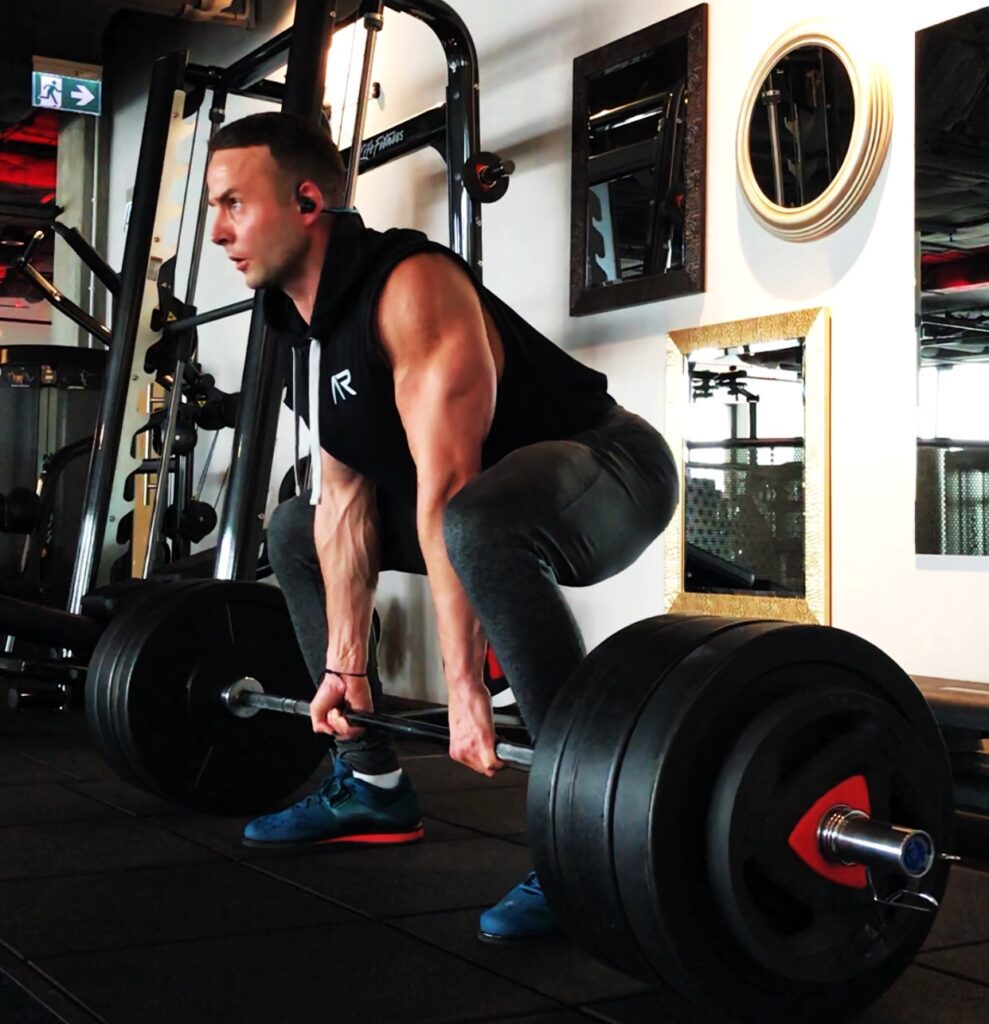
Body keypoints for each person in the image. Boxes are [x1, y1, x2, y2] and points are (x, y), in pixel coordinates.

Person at [205, 111, 678, 940]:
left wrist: (465, 684)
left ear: (306, 200)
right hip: (483, 505)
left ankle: (580, 845)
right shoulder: (296, 323)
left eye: (234, 204)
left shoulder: (410, 286)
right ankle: (372, 786)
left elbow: (447, 485)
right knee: (294, 523)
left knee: (475, 519)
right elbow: (347, 498)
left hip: (611, 468)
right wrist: (344, 668)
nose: (217, 232)